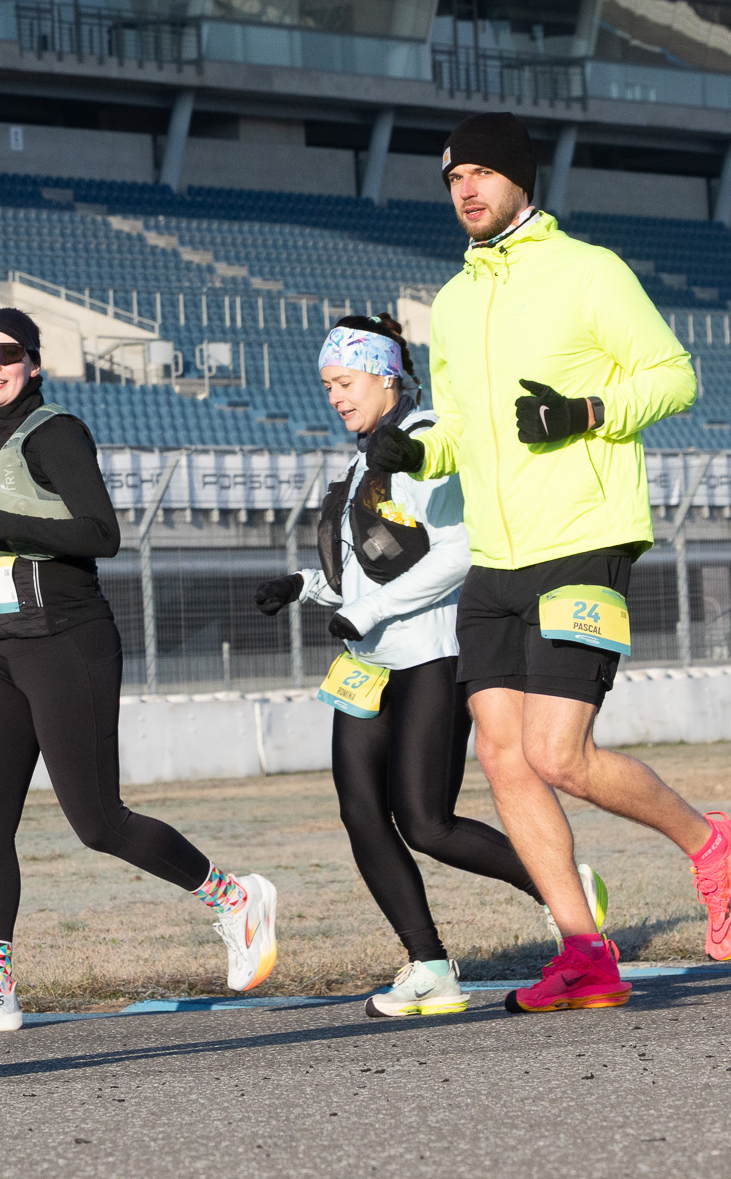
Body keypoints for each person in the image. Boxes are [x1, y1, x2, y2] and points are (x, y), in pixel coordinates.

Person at [368, 111, 731, 1015]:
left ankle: (718, 843)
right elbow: (467, 433)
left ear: (519, 176)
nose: (465, 188)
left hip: (585, 536)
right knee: (507, 764)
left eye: (479, 171)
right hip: (497, 557)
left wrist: (585, 413)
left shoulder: (590, 271)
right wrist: (419, 456)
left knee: (560, 754)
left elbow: (673, 376)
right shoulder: (456, 301)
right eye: (451, 177)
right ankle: (585, 953)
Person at [0, 308, 277, 1033]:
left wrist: (4, 530)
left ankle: (236, 899)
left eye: (7, 353)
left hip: (66, 641)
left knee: (98, 821)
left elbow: (98, 532)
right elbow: (5, 531)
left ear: (34, 362)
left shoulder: (57, 430)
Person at [253, 314, 607, 1019]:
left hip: (433, 656)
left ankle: (560, 886)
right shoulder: (364, 457)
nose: (335, 397)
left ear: (386, 376)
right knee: (362, 815)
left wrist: (370, 612)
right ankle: (429, 967)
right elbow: (372, 564)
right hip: (369, 664)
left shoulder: (424, 442)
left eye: (345, 382)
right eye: (327, 385)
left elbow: (457, 553)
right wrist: (305, 584)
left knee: (426, 821)